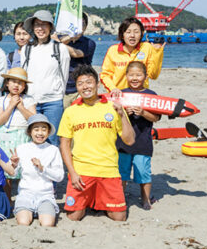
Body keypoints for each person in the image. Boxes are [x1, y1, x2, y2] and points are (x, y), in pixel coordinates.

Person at [57, 65, 136, 222]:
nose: (85, 87)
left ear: (97, 84)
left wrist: (122, 115)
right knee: (74, 217)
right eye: (80, 83)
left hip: (108, 170)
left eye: (89, 82)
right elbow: (64, 144)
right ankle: (91, 200)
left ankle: (96, 200)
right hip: (82, 172)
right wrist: (72, 172)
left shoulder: (113, 107)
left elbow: (130, 140)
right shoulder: (71, 111)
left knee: (119, 217)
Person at [0, 114, 63, 227]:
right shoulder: (22, 148)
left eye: (44, 129)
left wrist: (43, 169)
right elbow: (12, 173)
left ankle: (44, 210)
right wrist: (14, 164)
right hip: (25, 194)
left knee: (47, 223)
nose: (40, 133)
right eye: (36, 129)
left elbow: (60, 176)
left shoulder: (53, 150)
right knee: (23, 222)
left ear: (48, 131)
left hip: (45, 195)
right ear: (30, 132)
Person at [20, 10, 70, 146]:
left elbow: (63, 76)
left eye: (44, 25)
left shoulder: (60, 48)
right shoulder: (27, 49)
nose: (40, 28)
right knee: (32, 139)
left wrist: (57, 94)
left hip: (53, 102)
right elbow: (24, 74)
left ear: (50, 27)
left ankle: (52, 167)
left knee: (52, 140)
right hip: (31, 101)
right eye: (37, 24)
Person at [117, 61, 161, 210]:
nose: (135, 78)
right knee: (122, 173)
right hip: (122, 143)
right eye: (131, 75)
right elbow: (112, 116)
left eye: (138, 75)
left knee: (143, 172)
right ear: (126, 76)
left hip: (143, 142)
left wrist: (143, 113)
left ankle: (146, 199)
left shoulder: (151, 95)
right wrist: (123, 113)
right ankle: (120, 198)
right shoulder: (121, 94)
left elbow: (156, 118)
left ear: (145, 76)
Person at [0, 67, 36, 197]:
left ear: (24, 86)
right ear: (7, 83)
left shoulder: (28, 99)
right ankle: (7, 198)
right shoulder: (1, 100)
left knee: (24, 169)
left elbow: (33, 119)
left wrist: (21, 107)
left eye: (20, 82)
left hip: (23, 136)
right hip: (4, 135)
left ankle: (24, 197)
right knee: (5, 168)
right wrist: (11, 105)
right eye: (13, 81)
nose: (16, 85)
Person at [100, 16, 164, 94]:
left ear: (141, 34)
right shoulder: (113, 50)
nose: (132, 35)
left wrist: (157, 53)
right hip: (118, 95)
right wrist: (113, 89)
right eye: (128, 32)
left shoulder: (146, 47)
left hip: (141, 95)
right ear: (122, 34)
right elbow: (105, 75)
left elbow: (153, 75)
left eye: (136, 32)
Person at [55, 12, 97, 106]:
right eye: (75, 24)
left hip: (80, 88)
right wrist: (66, 38)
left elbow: (76, 53)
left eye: (81, 24)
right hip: (62, 88)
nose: (78, 27)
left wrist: (58, 43)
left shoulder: (89, 43)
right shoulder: (61, 40)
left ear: (85, 27)